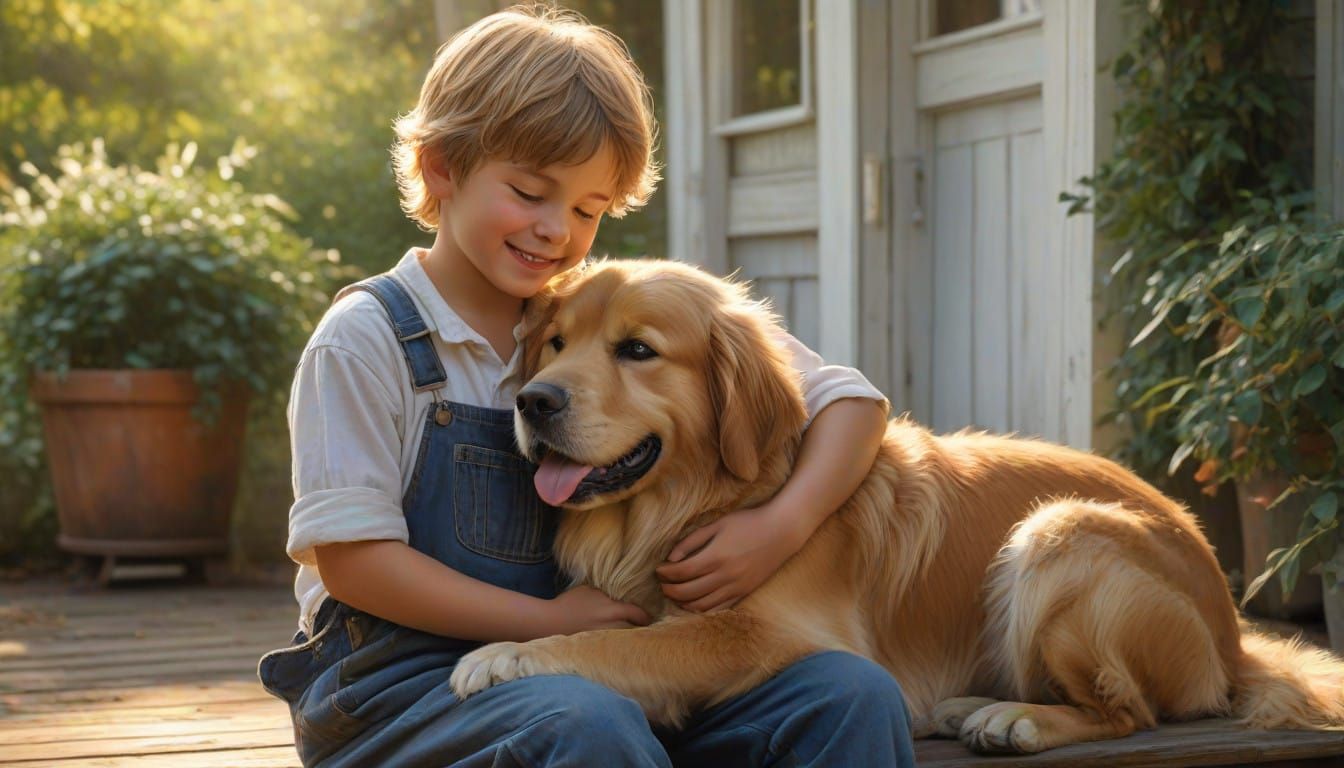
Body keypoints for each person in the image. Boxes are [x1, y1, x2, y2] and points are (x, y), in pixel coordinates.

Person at [259, 6, 916, 766]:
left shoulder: (586, 305)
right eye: (530, 192)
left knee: (847, 691)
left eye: (587, 209)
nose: (556, 231)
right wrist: (550, 624)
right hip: (393, 685)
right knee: (583, 722)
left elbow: (852, 405)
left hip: (596, 664)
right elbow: (353, 562)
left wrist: (781, 527)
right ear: (441, 168)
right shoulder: (366, 339)